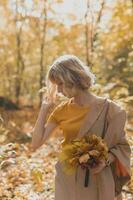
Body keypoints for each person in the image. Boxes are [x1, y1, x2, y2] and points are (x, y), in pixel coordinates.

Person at [31, 55, 131, 200]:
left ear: (73, 78)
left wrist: (105, 161)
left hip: (98, 178)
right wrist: (43, 110)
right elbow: (35, 143)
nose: (58, 90)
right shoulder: (61, 110)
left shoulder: (111, 110)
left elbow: (122, 147)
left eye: (60, 84)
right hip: (67, 178)